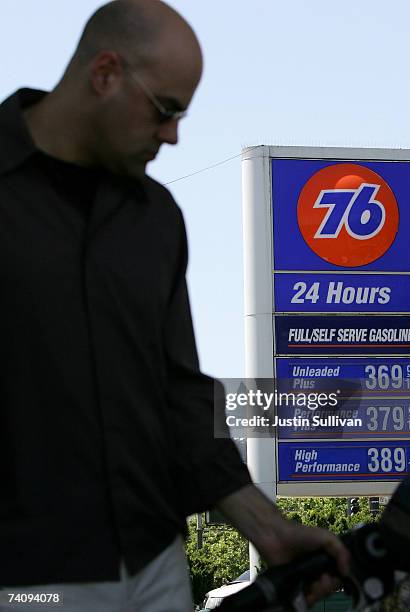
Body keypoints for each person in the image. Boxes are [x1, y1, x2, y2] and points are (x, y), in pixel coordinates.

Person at [0, 1, 349, 610]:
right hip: (29, 583)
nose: (173, 135)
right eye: (165, 110)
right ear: (105, 73)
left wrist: (269, 530)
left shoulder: (157, 221)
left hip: (158, 566)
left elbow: (179, 394)